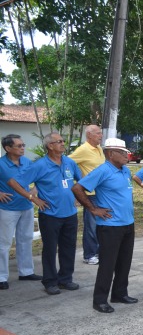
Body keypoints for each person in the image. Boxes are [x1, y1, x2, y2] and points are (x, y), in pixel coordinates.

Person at [8, 133, 82, 295]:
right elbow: (14, 182)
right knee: (49, 249)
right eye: (59, 142)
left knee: (68, 247)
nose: (63, 144)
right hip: (50, 215)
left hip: (70, 213)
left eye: (63, 141)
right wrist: (32, 198)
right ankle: (50, 282)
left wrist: (78, 197)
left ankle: (65, 279)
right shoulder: (39, 165)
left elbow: (80, 181)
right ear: (50, 146)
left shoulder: (69, 162)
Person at [71, 138, 138, 313]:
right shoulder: (103, 170)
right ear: (110, 153)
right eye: (123, 153)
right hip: (110, 226)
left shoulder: (125, 171)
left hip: (127, 223)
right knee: (108, 264)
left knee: (124, 263)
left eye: (126, 152)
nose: (126, 155)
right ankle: (100, 300)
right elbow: (78, 188)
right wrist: (93, 209)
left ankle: (119, 294)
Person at [0, 134, 42, 290]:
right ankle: (1, 276)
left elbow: (39, 177)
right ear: (8, 148)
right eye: (19, 146)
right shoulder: (1, 164)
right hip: (7, 209)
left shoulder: (26, 161)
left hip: (26, 206)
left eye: (23, 145)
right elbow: (12, 184)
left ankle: (26, 272)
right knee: (3, 243)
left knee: (25, 239)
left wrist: (34, 190)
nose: (23, 148)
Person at [68, 124, 105, 265]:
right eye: (97, 133)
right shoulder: (83, 150)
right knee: (91, 225)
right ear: (89, 135)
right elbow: (67, 162)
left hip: (102, 193)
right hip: (91, 193)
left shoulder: (99, 148)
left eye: (100, 133)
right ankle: (89, 254)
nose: (100, 135)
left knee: (101, 224)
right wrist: (79, 180)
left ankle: (98, 252)